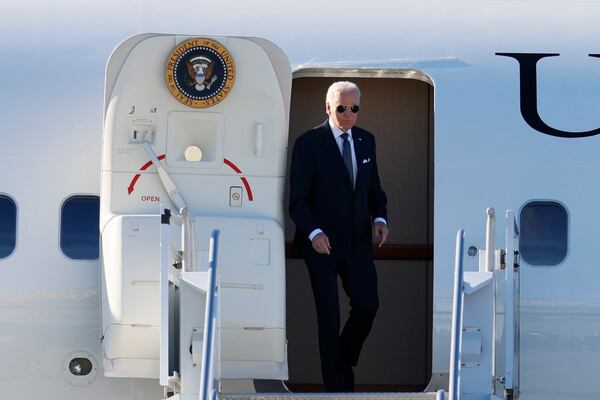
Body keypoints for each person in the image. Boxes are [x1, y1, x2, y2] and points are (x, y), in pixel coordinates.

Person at [288, 81, 389, 392]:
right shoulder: (309, 143)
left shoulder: (365, 140)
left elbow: (374, 190)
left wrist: (381, 218)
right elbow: (298, 199)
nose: (347, 114)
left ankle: (343, 357)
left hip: (358, 240)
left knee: (367, 305)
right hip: (321, 244)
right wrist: (313, 232)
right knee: (328, 316)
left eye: (353, 108)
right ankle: (338, 386)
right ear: (328, 108)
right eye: (341, 108)